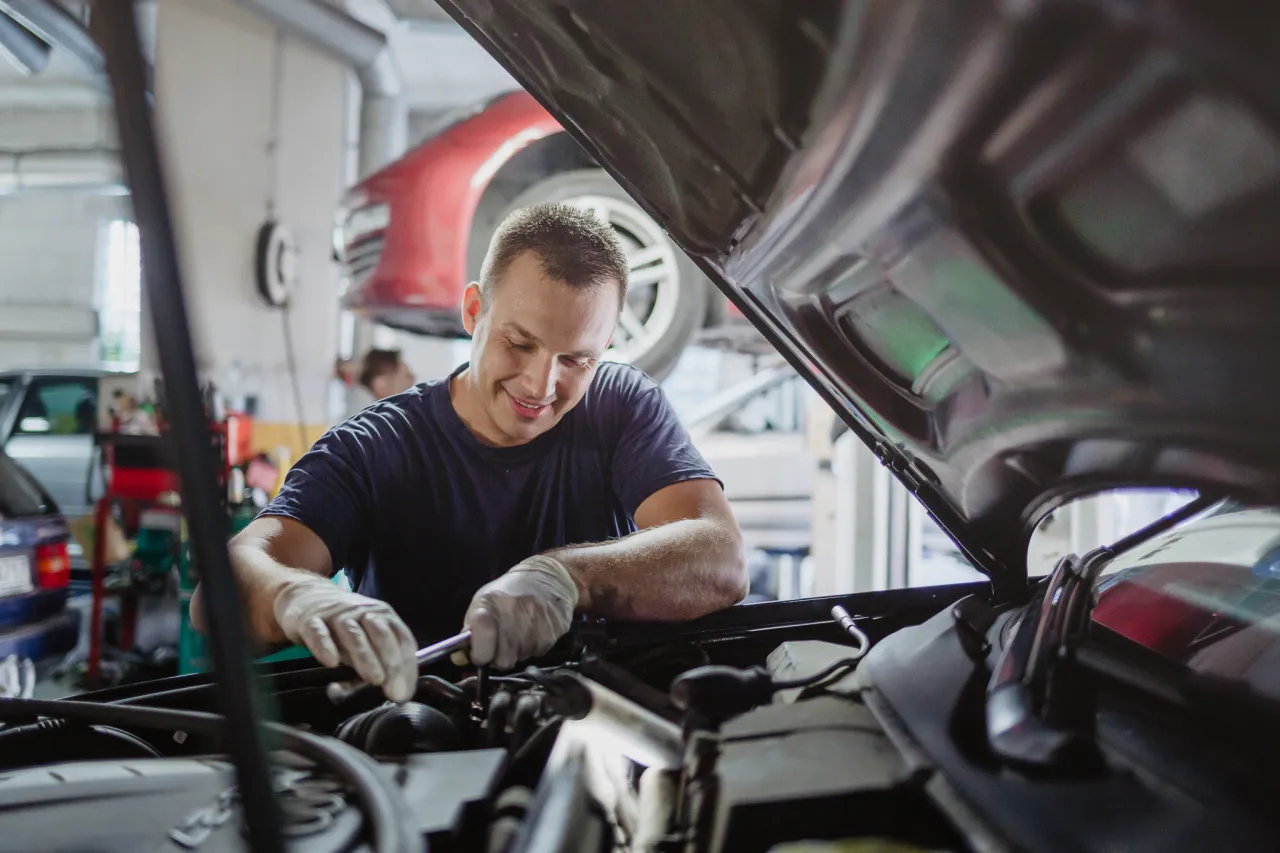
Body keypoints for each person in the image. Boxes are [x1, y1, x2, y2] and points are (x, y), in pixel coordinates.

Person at [192, 204, 747, 702]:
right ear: (474, 310)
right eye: (520, 343)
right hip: (411, 750)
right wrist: (294, 597)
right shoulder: (374, 448)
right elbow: (216, 596)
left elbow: (720, 559)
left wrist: (566, 578)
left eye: (575, 360)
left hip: (586, 741)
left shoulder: (619, 407)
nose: (540, 383)